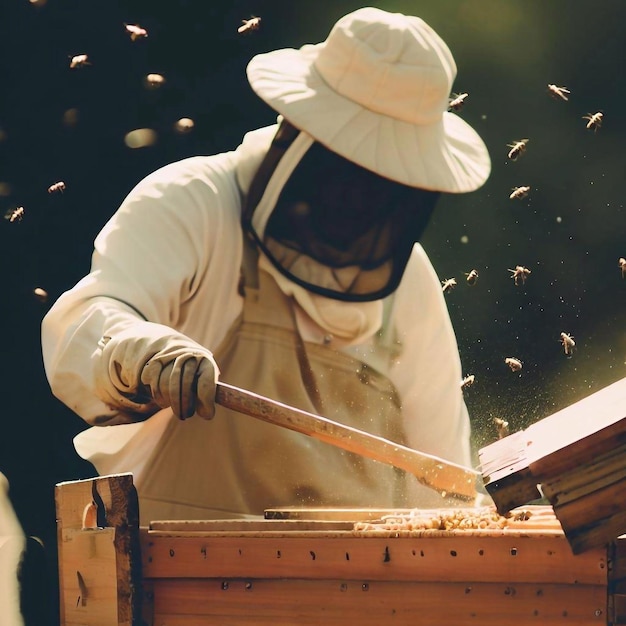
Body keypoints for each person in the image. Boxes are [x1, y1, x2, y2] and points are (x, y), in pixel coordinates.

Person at [41, 7, 491, 523]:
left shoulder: (410, 282)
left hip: (359, 596)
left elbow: (442, 483)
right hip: (175, 587)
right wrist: (134, 350)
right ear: (298, 135)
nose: (354, 207)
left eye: (380, 189)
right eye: (346, 178)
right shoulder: (195, 203)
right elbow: (88, 320)